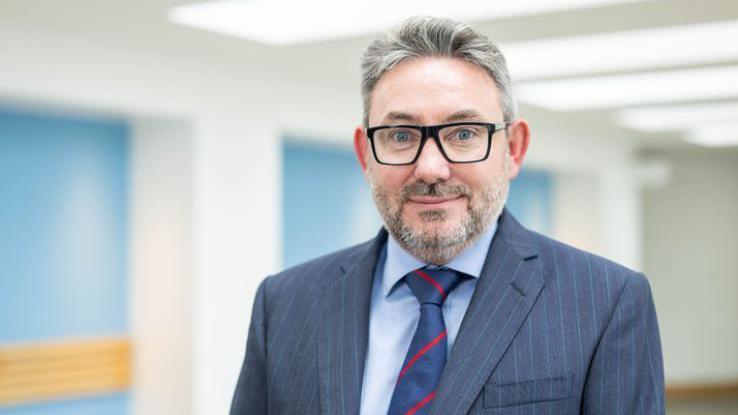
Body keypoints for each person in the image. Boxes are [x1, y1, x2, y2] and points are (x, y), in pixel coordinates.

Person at [230, 16, 665, 415]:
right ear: (365, 154)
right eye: (401, 135)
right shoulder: (285, 304)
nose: (431, 169)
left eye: (463, 133)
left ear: (513, 149)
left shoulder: (605, 302)